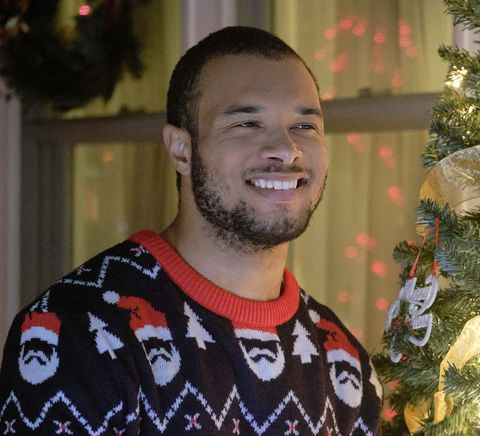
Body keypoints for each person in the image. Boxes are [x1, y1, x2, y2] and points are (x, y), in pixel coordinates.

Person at [0, 26, 383, 435]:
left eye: (305, 127)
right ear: (181, 150)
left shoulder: (342, 359)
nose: (286, 149)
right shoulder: (77, 334)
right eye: (248, 123)